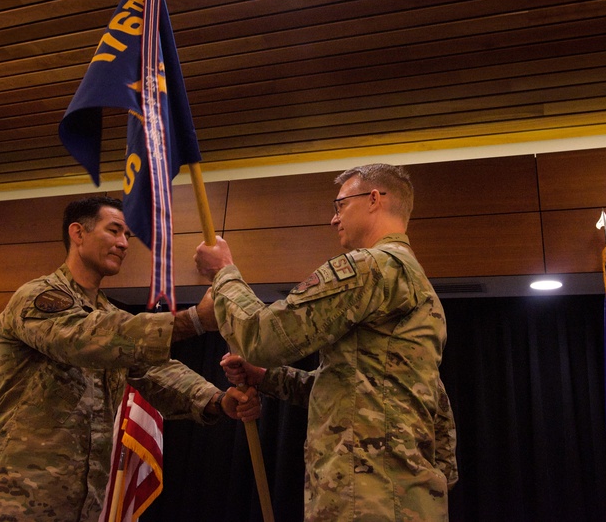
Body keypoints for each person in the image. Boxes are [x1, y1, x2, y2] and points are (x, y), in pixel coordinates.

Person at [0, 196, 259, 522]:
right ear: (78, 233)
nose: (124, 243)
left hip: (78, 510)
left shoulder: (109, 315)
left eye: (127, 235)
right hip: (7, 507)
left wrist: (216, 399)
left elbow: (157, 371)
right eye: (114, 231)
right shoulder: (37, 297)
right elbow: (87, 340)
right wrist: (194, 320)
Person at [194, 163, 458, 522]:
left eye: (340, 205)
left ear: (374, 199)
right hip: (404, 496)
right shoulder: (422, 290)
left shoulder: (369, 268)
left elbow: (262, 336)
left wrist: (223, 273)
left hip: (367, 497)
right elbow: (358, 389)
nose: (334, 219)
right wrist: (267, 377)